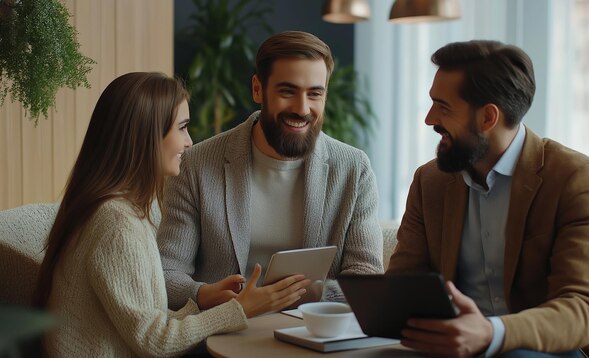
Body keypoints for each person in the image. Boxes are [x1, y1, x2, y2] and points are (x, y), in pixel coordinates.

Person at [34, 72, 309, 357]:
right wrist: (238, 310)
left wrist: (203, 301)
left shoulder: (114, 209)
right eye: (182, 128)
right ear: (145, 135)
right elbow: (155, 342)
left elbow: (145, 322)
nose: (190, 142)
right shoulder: (116, 225)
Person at [387, 40, 589, 357]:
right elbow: (403, 286)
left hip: (550, 348)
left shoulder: (578, 180)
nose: (429, 119)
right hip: (454, 347)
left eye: (443, 107)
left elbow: (583, 311)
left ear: (487, 118)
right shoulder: (430, 181)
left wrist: (491, 332)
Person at [157, 30, 384, 311]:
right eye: (287, 91)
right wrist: (208, 295)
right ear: (257, 89)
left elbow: (367, 280)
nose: (302, 108)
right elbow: (165, 276)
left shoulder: (354, 169)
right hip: (223, 337)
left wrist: (298, 295)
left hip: (314, 338)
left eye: (315, 94)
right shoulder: (197, 165)